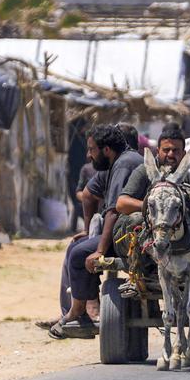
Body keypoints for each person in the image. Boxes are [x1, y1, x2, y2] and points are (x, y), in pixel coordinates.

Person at [48, 124, 142, 339]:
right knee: (77, 247)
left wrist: (100, 249)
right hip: (121, 232)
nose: (89, 155)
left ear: (106, 150)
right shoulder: (116, 163)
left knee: (79, 254)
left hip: (130, 235)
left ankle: (79, 313)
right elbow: (89, 194)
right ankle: (82, 312)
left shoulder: (125, 164)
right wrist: (89, 230)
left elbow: (113, 212)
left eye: (92, 149)